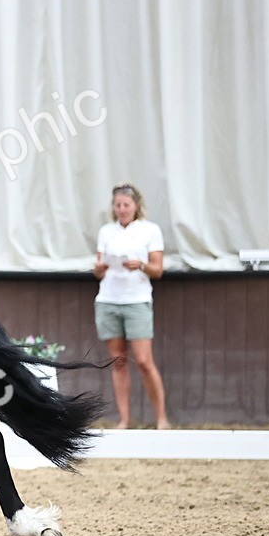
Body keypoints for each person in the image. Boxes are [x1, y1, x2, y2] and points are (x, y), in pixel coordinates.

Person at [92, 183, 170, 429]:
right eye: (118, 205)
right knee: (118, 362)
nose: (122, 209)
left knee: (144, 361)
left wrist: (141, 265)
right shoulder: (106, 232)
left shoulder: (150, 231)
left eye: (126, 205)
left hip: (137, 300)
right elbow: (98, 269)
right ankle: (124, 419)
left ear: (136, 206)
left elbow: (158, 270)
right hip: (109, 299)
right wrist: (100, 268)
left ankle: (161, 418)